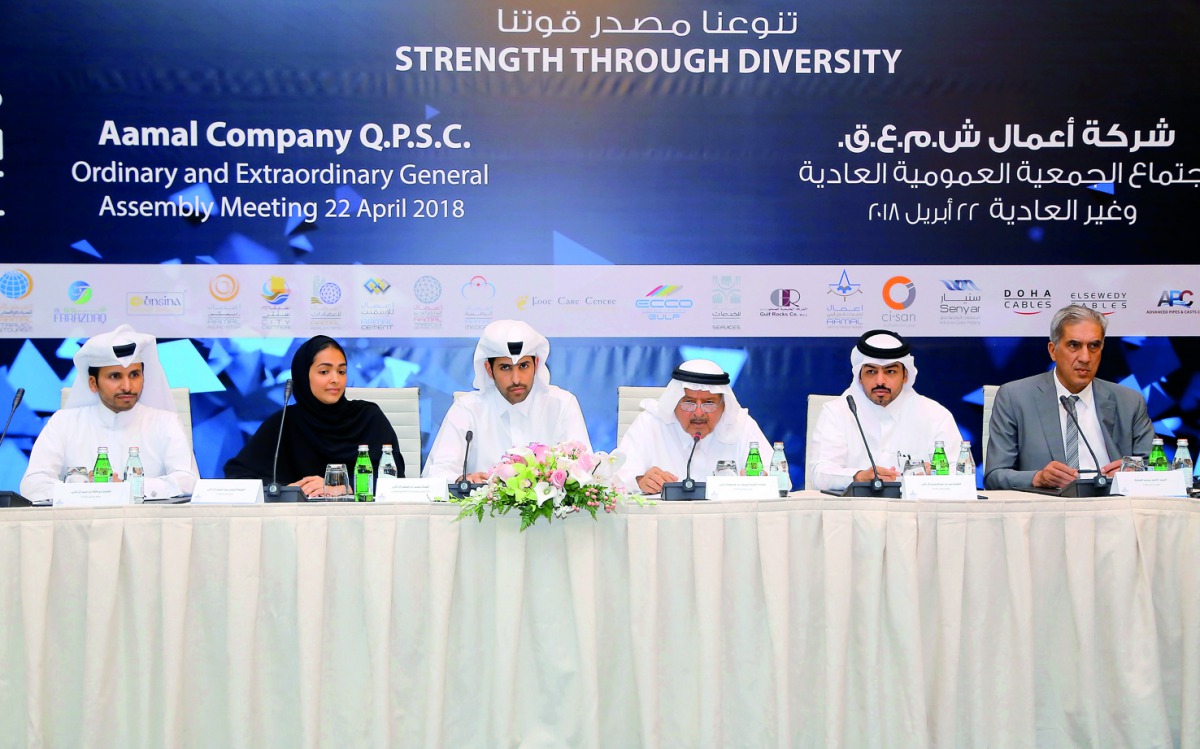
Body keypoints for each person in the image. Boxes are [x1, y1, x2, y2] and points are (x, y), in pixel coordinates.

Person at [984, 304, 1153, 491]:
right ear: (1052, 350)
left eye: (1094, 346)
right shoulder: (1014, 397)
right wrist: (1038, 478)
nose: (1085, 357)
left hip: (1112, 509)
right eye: (1074, 345)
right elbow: (994, 476)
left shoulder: (1129, 401)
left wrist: (1136, 473)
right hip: (1046, 512)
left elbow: (1158, 469)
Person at [20, 324, 199, 501]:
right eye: (115, 376)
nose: (128, 386)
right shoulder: (63, 422)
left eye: (134, 375)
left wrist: (129, 488)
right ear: (92, 383)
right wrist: (83, 491)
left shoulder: (166, 422)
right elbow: (32, 484)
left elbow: (188, 480)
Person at [223, 335, 402, 495]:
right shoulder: (285, 422)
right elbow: (237, 474)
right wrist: (286, 489)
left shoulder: (368, 417)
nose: (335, 379)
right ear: (303, 376)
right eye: (324, 372)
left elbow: (394, 477)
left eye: (341, 371)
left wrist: (344, 487)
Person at [422, 319, 591, 483]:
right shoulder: (467, 409)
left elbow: (583, 471)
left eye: (524, 366)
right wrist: (461, 480)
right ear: (489, 369)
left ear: (536, 364)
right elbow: (436, 474)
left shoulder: (561, 405)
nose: (516, 379)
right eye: (505, 368)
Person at [810, 330, 963, 492]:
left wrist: (935, 474)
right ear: (859, 377)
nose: (880, 381)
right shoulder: (838, 412)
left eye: (890, 371)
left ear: (905, 375)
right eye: (871, 371)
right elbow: (820, 474)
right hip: (855, 513)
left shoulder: (935, 415)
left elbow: (961, 471)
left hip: (914, 513)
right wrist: (858, 476)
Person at [616, 359, 771, 494]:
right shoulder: (650, 424)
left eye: (709, 403)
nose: (698, 413)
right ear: (674, 403)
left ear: (724, 406)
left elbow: (781, 481)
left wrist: (760, 482)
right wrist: (640, 481)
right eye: (688, 402)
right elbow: (614, 481)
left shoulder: (742, 426)